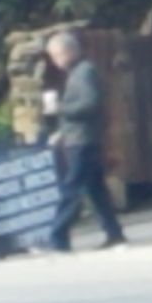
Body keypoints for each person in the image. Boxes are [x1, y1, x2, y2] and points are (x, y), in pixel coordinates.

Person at [44, 30, 126, 251]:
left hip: (82, 141)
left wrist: (60, 109)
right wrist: (61, 132)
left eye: (56, 55)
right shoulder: (79, 72)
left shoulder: (84, 72)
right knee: (95, 189)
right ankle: (114, 233)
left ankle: (57, 237)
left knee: (71, 188)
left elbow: (90, 104)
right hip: (81, 138)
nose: (55, 61)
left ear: (69, 51)